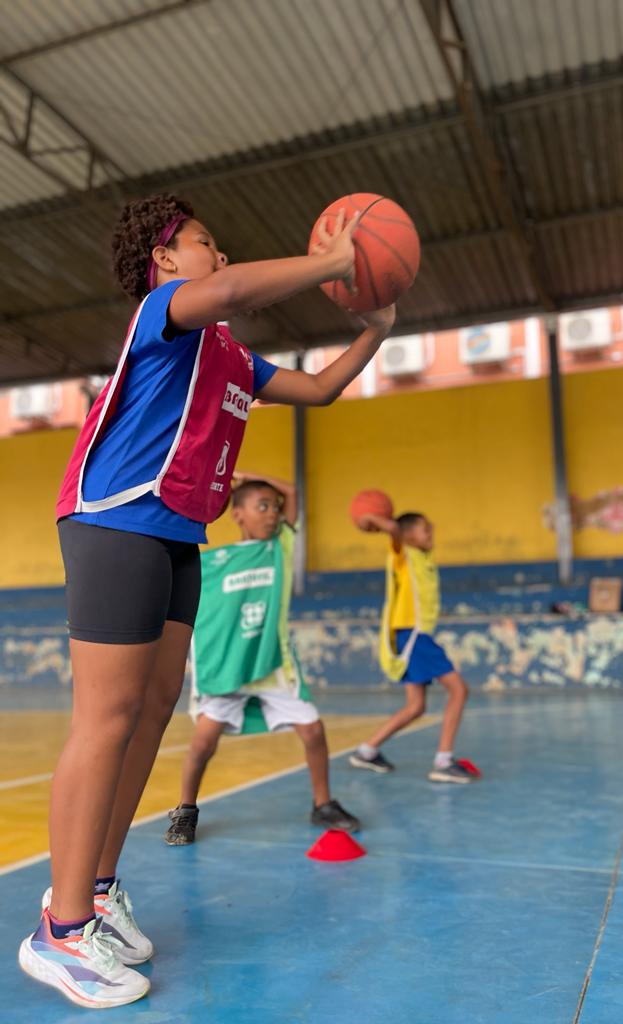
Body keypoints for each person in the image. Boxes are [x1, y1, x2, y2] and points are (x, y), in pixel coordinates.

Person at [19, 193, 394, 1009]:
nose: (218, 255)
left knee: (153, 712)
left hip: (177, 532)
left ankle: (98, 890)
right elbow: (227, 291)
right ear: (164, 259)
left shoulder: (229, 357)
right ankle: (61, 929)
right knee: (107, 718)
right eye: (204, 242)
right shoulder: (164, 313)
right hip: (115, 516)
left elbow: (319, 388)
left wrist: (375, 329)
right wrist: (332, 262)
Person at [164, 472, 359, 845]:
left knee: (313, 730)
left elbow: (293, 491)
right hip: (228, 667)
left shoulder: (279, 548)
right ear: (237, 514)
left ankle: (323, 803)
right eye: (263, 506)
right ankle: (185, 810)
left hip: (271, 663)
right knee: (203, 744)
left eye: (276, 508)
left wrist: (245, 478)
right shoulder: (212, 561)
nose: (273, 514)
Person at [348, 511, 474, 783]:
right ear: (407, 536)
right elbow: (395, 531)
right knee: (459, 690)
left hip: (413, 636)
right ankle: (443, 761)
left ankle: (366, 751)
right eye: (425, 529)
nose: (431, 532)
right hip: (413, 636)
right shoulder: (402, 555)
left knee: (416, 706)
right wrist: (371, 518)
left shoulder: (424, 557)